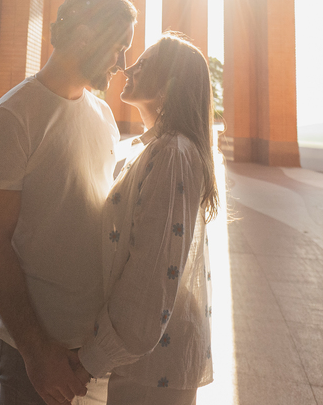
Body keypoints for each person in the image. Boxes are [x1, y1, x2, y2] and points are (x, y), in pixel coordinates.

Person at [0, 0, 137, 405]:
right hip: (34, 348)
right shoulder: (11, 119)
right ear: (83, 37)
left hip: (91, 350)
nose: (122, 64)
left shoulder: (102, 117)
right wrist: (35, 351)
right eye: (117, 48)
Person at [74, 33, 216, 404]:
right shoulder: (158, 146)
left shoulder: (172, 153)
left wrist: (88, 363)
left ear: (169, 87)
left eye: (145, 63)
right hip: (148, 351)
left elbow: (150, 275)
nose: (127, 67)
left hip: (154, 358)